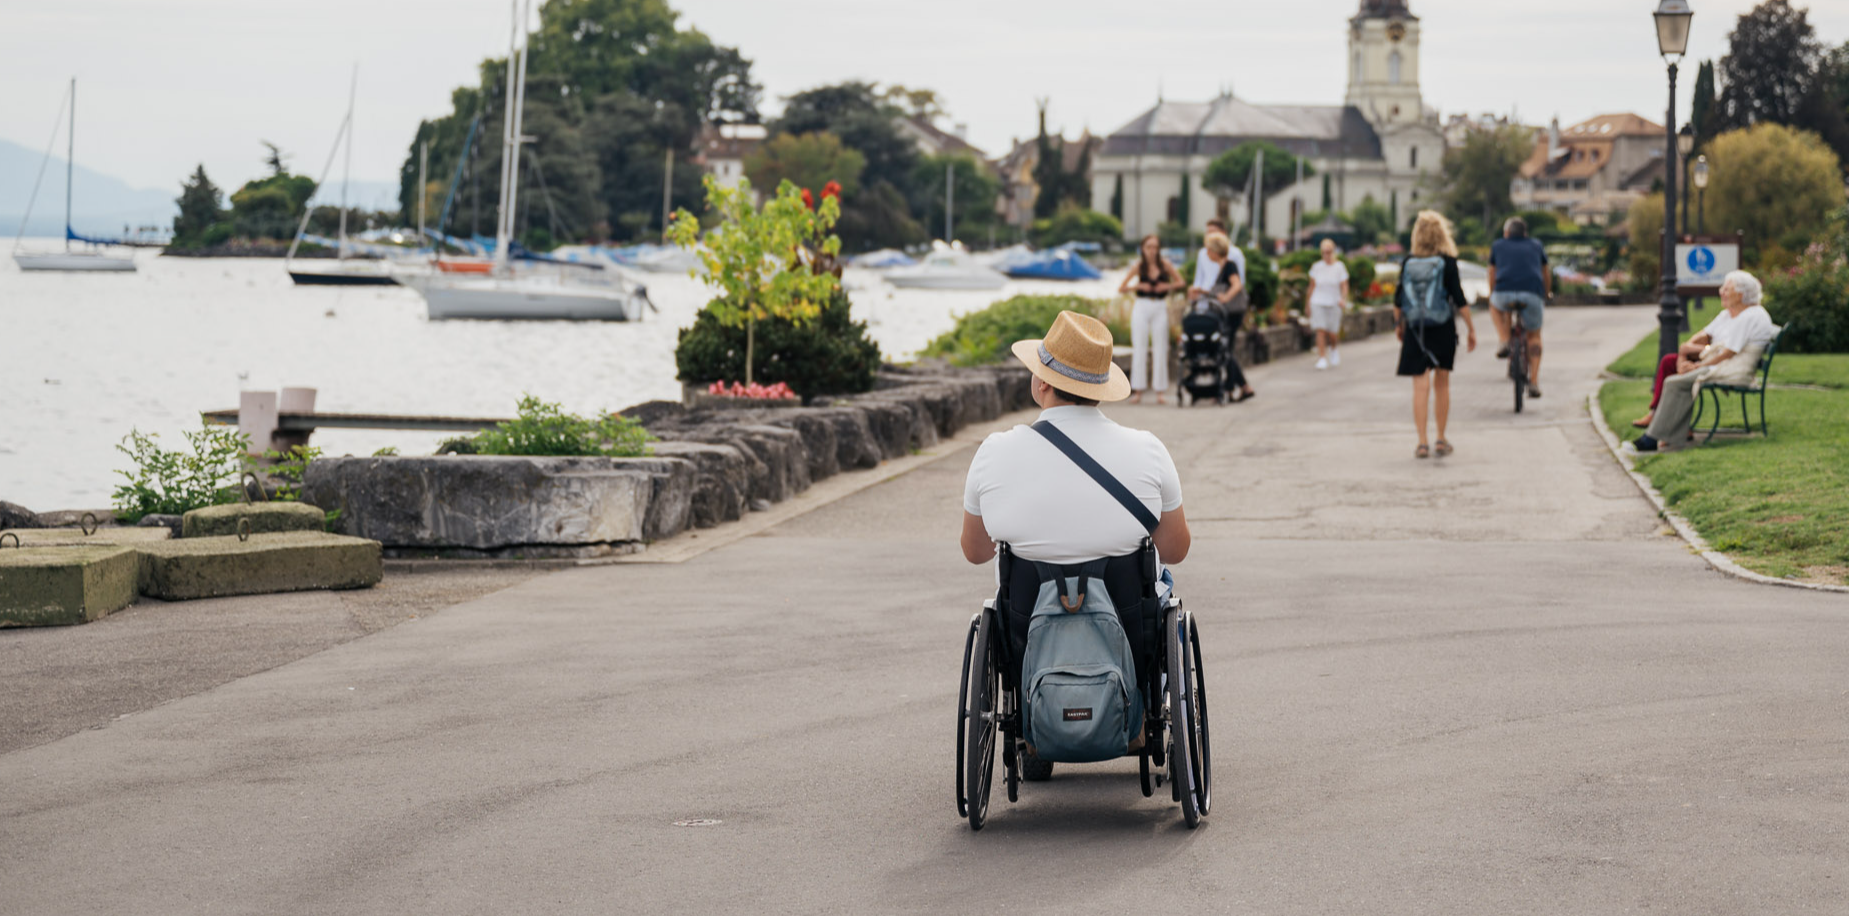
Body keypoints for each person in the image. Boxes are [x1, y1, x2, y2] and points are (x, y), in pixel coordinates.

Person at [1631, 271, 1775, 452]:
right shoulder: (1731, 314)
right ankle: (1668, 430)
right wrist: (1684, 355)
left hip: (1730, 370)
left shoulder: (1750, 315)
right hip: (1719, 364)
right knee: (1673, 370)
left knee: (1674, 382)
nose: (1721, 291)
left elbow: (1728, 353)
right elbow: (1707, 336)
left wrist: (1697, 366)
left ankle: (1651, 439)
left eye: (1727, 289)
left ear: (1740, 294)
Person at [1394, 211, 1478, 459]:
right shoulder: (1448, 262)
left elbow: (1398, 299)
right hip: (1442, 328)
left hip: (1415, 329)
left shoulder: (1408, 262)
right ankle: (1440, 439)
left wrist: (1399, 326)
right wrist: (1471, 329)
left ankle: (1422, 442)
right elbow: (1459, 298)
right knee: (1442, 383)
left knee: (1420, 386)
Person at [1486, 217, 1551, 398]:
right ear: (1525, 233)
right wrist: (1546, 293)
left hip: (1504, 293)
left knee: (1495, 306)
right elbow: (1545, 272)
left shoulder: (1498, 245)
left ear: (1506, 233)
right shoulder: (1536, 245)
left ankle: (1504, 340)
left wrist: (1492, 293)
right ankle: (1534, 382)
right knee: (1534, 337)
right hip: (1531, 293)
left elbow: (1492, 272)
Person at [1118, 234, 1184, 404]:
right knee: (1139, 346)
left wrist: (1166, 286)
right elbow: (1122, 288)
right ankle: (1138, 390)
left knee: (1160, 347)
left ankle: (1160, 391)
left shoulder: (1165, 265)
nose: (1152, 251)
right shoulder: (1138, 266)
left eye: (1155, 247)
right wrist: (1137, 286)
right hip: (1142, 305)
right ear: (1143, 248)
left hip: (1159, 305)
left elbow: (1180, 282)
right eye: (1149, 247)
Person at [1192, 231, 1256, 401]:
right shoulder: (1223, 266)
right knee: (1227, 351)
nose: (1207, 254)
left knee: (1225, 351)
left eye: (1209, 250)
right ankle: (1235, 387)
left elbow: (1236, 284)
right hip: (1230, 313)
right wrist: (1201, 291)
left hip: (1231, 313)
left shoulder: (1229, 265)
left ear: (1215, 251)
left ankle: (1239, 386)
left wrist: (1226, 297)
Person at [1306, 239, 1351, 370]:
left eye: (1329, 251)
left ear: (1333, 251)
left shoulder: (1339, 267)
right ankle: (1322, 358)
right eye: (1324, 252)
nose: (1327, 254)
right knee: (1320, 329)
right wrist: (1307, 303)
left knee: (1332, 332)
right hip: (1318, 301)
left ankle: (1333, 348)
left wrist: (1343, 298)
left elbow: (1344, 285)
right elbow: (1311, 286)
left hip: (1334, 302)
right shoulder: (1316, 267)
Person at [1192, 218, 1247, 301]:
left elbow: (1238, 284)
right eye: (1207, 232)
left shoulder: (1232, 260)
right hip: (1208, 300)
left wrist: (1226, 297)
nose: (1209, 235)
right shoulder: (1203, 254)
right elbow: (1199, 280)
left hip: (1226, 304)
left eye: (1213, 232)